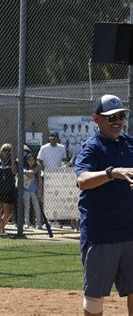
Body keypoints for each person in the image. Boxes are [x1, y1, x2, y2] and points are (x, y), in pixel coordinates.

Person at [75, 94, 133, 315]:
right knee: (95, 297)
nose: (117, 121)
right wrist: (111, 173)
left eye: (120, 116)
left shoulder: (130, 144)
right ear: (96, 119)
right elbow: (82, 181)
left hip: (130, 231)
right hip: (101, 234)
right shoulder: (92, 147)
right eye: (111, 117)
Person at [23, 153, 43, 229]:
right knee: (27, 206)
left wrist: (39, 189)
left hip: (34, 190)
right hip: (26, 189)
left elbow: (39, 179)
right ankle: (27, 223)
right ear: (27, 161)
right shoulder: (25, 167)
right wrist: (26, 171)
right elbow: (21, 170)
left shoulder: (37, 168)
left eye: (32, 160)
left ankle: (39, 223)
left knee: (36, 206)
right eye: (29, 160)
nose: (31, 161)